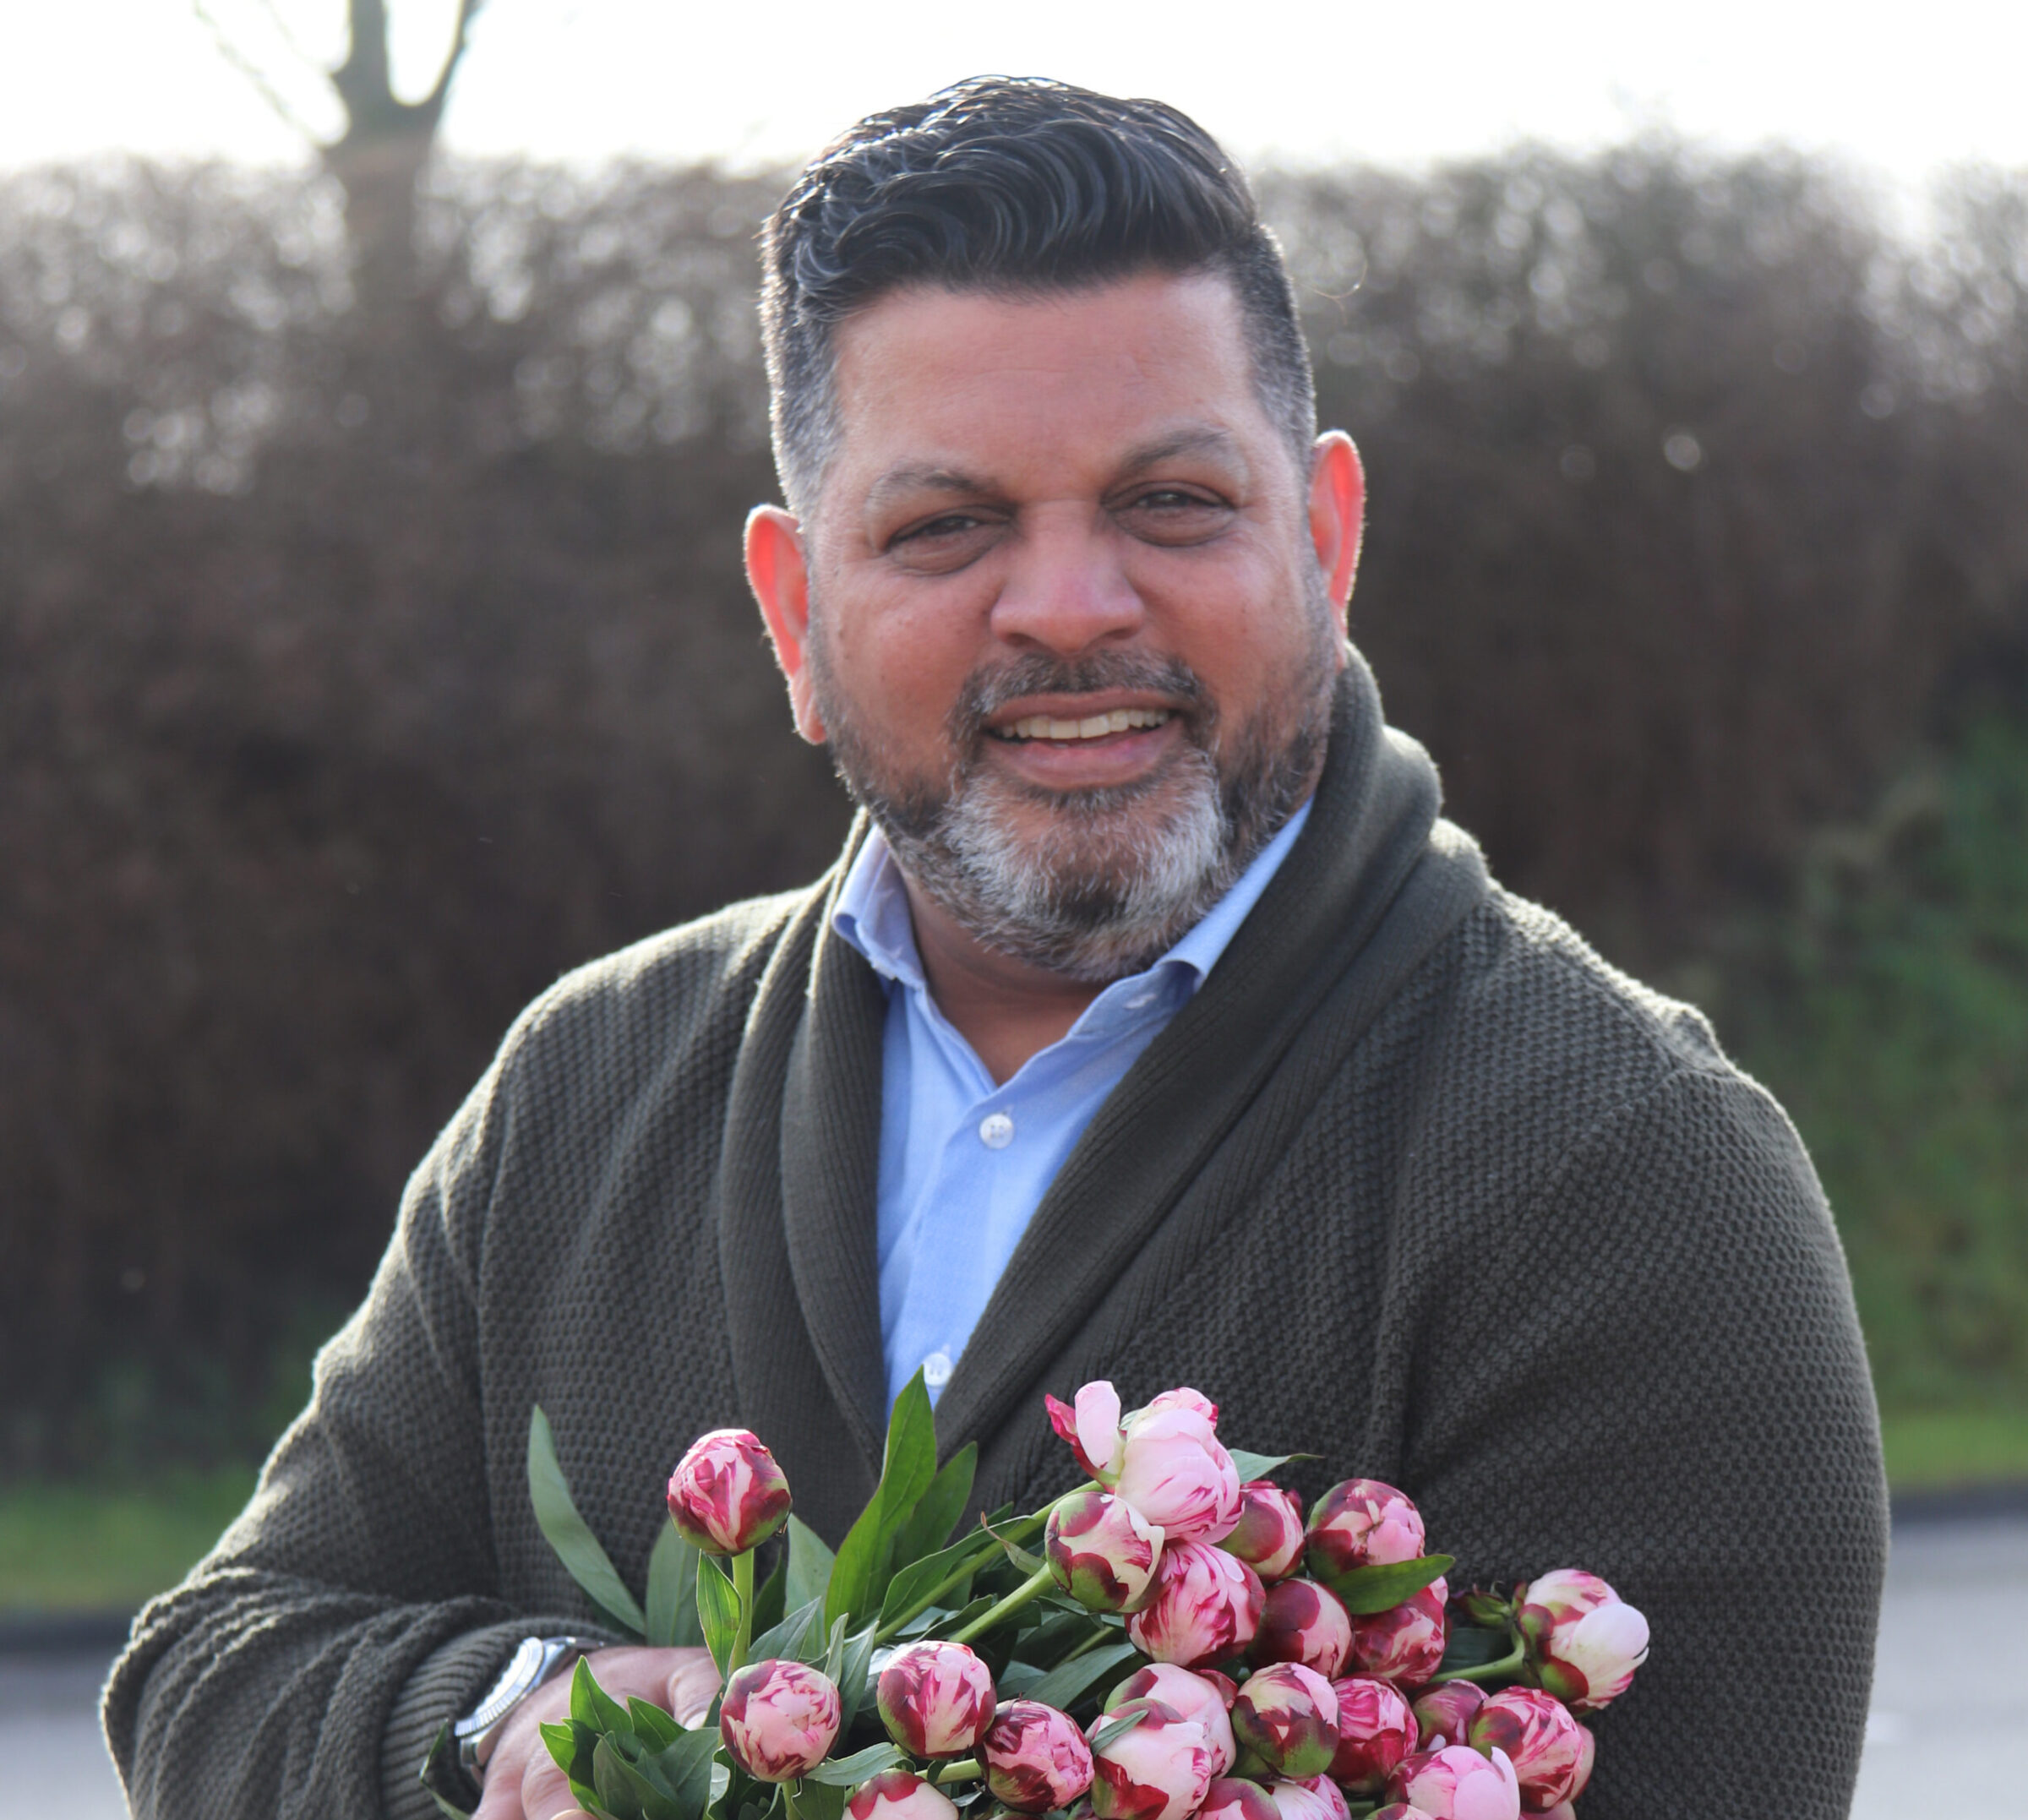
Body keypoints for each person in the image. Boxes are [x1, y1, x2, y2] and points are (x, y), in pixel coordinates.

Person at [104, 77, 1886, 1820]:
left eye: (1172, 501)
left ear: (1328, 543)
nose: (1067, 605)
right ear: (795, 614)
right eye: (947, 526)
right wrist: (523, 1721)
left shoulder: (1625, 1171)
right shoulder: (589, 1087)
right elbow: (218, 1668)